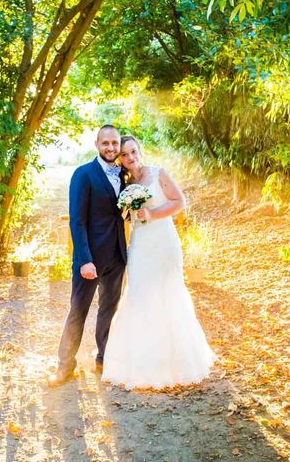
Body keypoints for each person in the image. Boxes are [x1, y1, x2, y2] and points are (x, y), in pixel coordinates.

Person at [102, 135, 216, 390]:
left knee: (169, 293)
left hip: (164, 242)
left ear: (139, 150)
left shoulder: (158, 174)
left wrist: (152, 213)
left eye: (133, 151)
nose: (130, 157)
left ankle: (176, 363)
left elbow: (179, 202)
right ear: (119, 159)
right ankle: (141, 362)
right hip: (141, 244)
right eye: (124, 155)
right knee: (140, 294)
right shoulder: (124, 185)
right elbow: (124, 217)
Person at [50, 125, 127, 386]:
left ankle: (103, 358)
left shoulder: (124, 175)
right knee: (78, 311)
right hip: (90, 259)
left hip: (117, 256)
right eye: (105, 143)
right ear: (96, 144)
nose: (111, 148)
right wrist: (84, 259)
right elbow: (77, 221)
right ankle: (65, 365)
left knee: (108, 310)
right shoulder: (83, 174)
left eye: (115, 143)